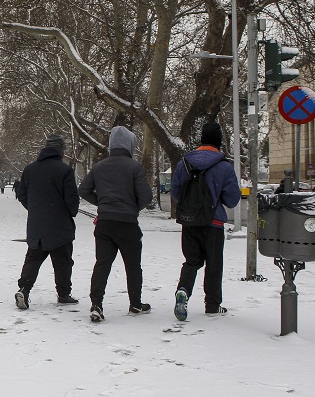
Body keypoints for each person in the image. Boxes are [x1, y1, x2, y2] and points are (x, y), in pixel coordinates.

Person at [78, 126, 153, 322]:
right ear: (129, 145)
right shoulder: (134, 167)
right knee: (133, 265)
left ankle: (96, 304)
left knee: (102, 264)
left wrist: (102, 203)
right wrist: (133, 206)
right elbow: (146, 196)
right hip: (127, 224)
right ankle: (135, 304)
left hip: (104, 224)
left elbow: (83, 190)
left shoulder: (99, 167)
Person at [170, 121, 241, 319]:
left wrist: (191, 207)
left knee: (191, 261)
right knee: (214, 263)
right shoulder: (224, 166)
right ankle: (212, 305)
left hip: (189, 221)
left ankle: (183, 290)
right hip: (214, 223)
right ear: (218, 142)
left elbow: (176, 192)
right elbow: (232, 199)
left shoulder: (184, 163)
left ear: (201, 139)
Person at [13, 134, 80, 310]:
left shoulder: (29, 169)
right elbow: (72, 201)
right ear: (60, 150)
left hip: (37, 225)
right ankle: (64, 294)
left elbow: (22, 194)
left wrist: (35, 209)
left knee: (33, 259)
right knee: (63, 262)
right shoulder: (65, 171)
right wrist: (66, 212)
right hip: (60, 226)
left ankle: (24, 289)